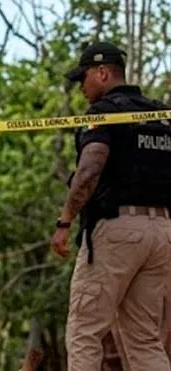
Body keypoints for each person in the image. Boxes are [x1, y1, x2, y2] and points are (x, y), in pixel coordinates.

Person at [50, 41, 171, 371]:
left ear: (102, 73)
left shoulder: (104, 113)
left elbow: (89, 170)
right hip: (161, 232)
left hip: (118, 230)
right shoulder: (159, 115)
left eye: (83, 78)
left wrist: (64, 221)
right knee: (145, 339)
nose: (82, 88)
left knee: (83, 332)